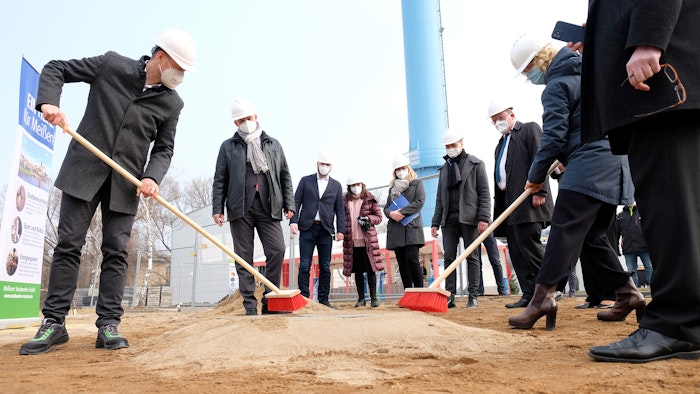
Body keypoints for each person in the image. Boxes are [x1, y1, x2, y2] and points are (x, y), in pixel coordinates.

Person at [19, 29, 196, 355]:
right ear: (161, 57)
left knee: (116, 252)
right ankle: (54, 323)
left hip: (125, 183)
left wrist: (152, 177)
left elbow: (163, 149)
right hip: (83, 170)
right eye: (179, 67)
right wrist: (49, 104)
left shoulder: (172, 103)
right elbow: (57, 67)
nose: (181, 75)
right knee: (69, 244)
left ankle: (108, 325)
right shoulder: (112, 65)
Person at [580, 1, 700, 362]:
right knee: (681, 206)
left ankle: (679, 324)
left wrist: (649, 38)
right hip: (662, 82)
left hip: (659, 84)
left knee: (671, 207)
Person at [506, 35, 642, 331]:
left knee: (563, 232)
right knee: (592, 238)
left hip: (589, 166)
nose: (531, 77)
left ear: (538, 62)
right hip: (616, 163)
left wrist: (535, 176)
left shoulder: (557, 85)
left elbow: (553, 137)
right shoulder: (593, 73)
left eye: (528, 70)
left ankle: (542, 298)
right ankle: (628, 293)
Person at [212, 98, 295, 316]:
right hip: (240, 208)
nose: (246, 123)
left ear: (256, 117)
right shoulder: (228, 147)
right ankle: (249, 305)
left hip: (270, 206)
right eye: (241, 120)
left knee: (277, 249)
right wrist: (217, 208)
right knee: (243, 256)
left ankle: (270, 299)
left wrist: (290, 203)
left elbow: (285, 175)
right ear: (235, 123)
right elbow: (220, 179)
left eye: (249, 118)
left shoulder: (273, 144)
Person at [487, 101, 554, 308]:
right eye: (493, 120)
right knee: (516, 250)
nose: (497, 122)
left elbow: (541, 159)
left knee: (530, 245)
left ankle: (550, 288)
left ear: (511, 115)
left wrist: (540, 190)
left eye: (500, 117)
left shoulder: (529, 130)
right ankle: (529, 293)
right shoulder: (501, 144)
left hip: (528, 199)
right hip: (509, 204)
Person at [431, 129, 491, 309]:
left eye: (453, 145)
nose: (451, 149)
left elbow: (484, 193)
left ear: (461, 143)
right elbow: (440, 198)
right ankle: (450, 296)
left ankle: (473, 296)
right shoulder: (443, 170)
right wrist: (435, 222)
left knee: (472, 256)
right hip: (448, 220)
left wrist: (484, 217)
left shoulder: (476, 164)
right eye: (448, 146)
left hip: (470, 218)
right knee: (449, 257)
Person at [290, 150, 345, 308]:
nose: (324, 167)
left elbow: (340, 210)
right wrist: (293, 221)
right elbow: (296, 202)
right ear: (317, 164)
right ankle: (304, 299)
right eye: (322, 164)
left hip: (326, 231)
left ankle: (323, 300)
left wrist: (340, 230)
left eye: (327, 164)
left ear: (331, 166)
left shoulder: (336, 186)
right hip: (307, 227)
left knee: (326, 266)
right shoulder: (305, 181)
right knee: (305, 264)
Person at [342, 173, 384, 307]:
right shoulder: (344, 201)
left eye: (358, 185)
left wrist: (369, 219)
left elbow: (379, 217)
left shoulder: (370, 199)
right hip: (351, 241)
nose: (356, 187)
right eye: (353, 185)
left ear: (362, 185)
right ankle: (361, 298)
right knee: (357, 271)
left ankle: (374, 298)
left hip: (368, 241)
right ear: (349, 187)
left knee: (371, 269)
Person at [384, 155, 425, 290]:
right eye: (398, 169)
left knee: (412, 259)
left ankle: (419, 291)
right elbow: (386, 208)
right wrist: (391, 214)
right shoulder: (392, 190)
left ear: (408, 168)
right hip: (397, 230)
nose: (400, 171)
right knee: (401, 263)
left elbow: (419, 202)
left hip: (412, 228)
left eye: (403, 168)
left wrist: (401, 212)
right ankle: (408, 291)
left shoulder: (417, 184)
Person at [616, 203, 652, 287]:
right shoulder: (620, 216)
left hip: (644, 248)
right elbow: (616, 234)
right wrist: (616, 248)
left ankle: (655, 289)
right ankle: (634, 291)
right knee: (631, 271)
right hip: (628, 249)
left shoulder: (643, 213)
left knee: (649, 268)